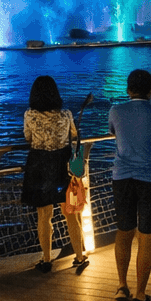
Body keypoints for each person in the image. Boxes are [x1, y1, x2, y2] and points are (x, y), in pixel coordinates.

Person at [107, 69, 151, 301]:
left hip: (121, 177)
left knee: (124, 231)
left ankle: (122, 286)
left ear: (128, 89)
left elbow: (114, 132)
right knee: (146, 237)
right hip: (150, 179)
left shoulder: (116, 111)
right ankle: (141, 295)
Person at [21, 75, 88, 274]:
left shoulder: (30, 115)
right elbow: (74, 135)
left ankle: (47, 259)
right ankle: (79, 256)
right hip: (62, 168)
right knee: (70, 215)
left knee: (44, 216)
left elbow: (28, 137)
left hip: (39, 168)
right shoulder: (66, 114)